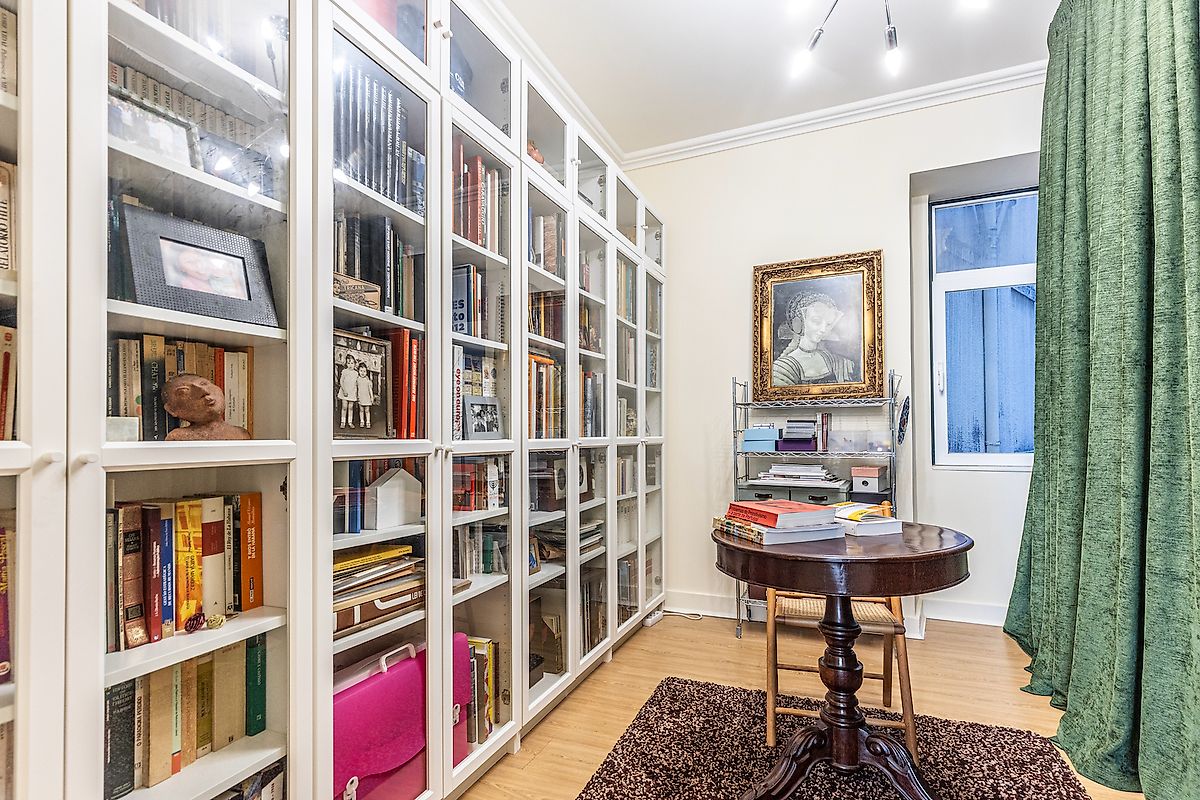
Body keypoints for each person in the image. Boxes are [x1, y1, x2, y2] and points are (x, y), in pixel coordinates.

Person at [771, 290, 860, 386]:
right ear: (799, 322)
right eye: (816, 321)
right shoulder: (782, 368)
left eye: (828, 323)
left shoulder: (835, 361)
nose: (823, 329)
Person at [338, 356, 359, 429]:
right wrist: (344, 390)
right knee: (344, 407)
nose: (350, 365)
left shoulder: (356, 373)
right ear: (346, 364)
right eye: (348, 363)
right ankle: (343, 422)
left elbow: (357, 383)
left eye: (352, 363)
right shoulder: (344, 371)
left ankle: (350, 422)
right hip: (345, 391)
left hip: (352, 392)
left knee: (350, 407)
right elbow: (341, 381)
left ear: (355, 364)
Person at [356, 364, 375, 430]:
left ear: (366, 372)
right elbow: (356, 389)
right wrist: (356, 396)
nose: (362, 373)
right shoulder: (357, 380)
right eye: (361, 371)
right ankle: (362, 421)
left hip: (367, 398)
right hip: (360, 397)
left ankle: (368, 422)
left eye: (364, 371)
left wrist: (372, 397)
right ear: (358, 371)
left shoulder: (368, 381)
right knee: (361, 410)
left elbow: (370, 390)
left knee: (367, 410)